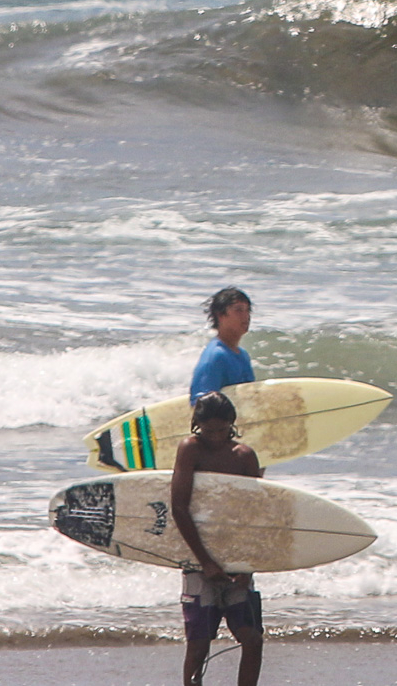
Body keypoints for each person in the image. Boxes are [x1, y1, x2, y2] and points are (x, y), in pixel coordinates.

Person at [172, 391, 265, 686]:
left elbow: (255, 516)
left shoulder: (244, 457)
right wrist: (205, 562)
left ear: (232, 424)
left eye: (221, 430)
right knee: (199, 642)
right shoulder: (191, 449)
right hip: (197, 555)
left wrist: (247, 566)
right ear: (196, 424)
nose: (214, 436)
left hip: (236, 556)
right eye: (208, 430)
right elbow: (179, 508)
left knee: (251, 638)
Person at [190, 287, 255, 405]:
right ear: (220, 315)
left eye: (248, 310)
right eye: (239, 310)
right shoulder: (216, 355)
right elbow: (200, 403)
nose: (246, 316)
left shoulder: (243, 355)